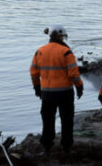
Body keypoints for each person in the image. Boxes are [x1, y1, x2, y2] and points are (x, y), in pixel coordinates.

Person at [30, 25, 83, 155]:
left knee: (47, 121)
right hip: (65, 93)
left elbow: (33, 72)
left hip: (47, 93)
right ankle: (66, 148)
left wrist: (37, 87)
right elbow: (73, 74)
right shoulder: (66, 52)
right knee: (67, 120)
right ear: (60, 36)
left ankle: (47, 148)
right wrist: (79, 87)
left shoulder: (40, 51)